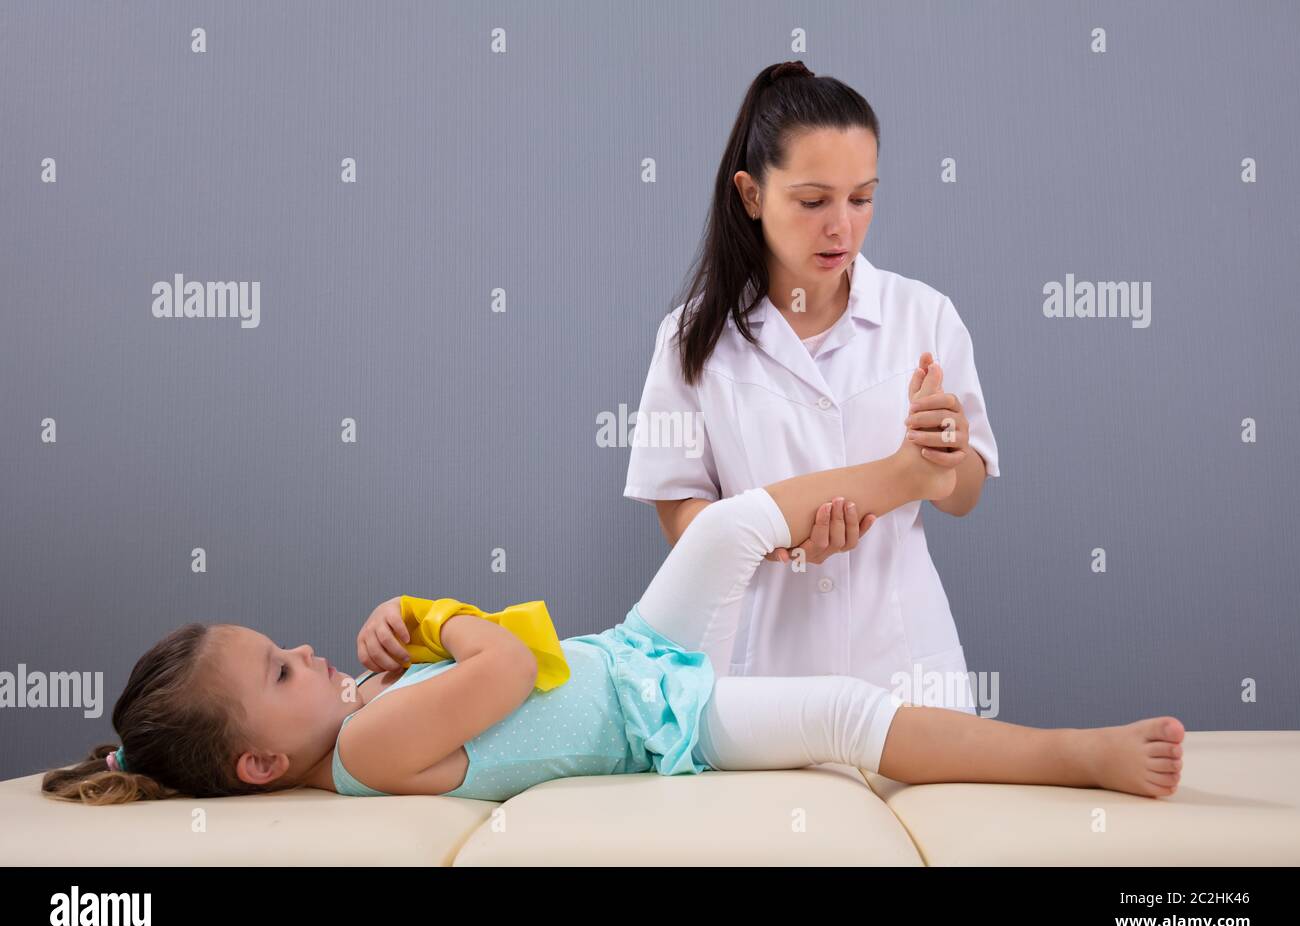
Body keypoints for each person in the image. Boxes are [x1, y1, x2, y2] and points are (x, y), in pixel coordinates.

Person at [42, 361, 1183, 806]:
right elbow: (509, 661)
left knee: (733, 521)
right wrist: (434, 617)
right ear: (256, 759)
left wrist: (395, 639)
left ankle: (906, 469)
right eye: (283, 668)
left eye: (284, 643)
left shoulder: (353, 721)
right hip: (660, 720)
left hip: (633, 652)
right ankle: (1070, 751)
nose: (308, 651)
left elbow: (487, 666)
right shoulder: (367, 753)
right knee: (841, 714)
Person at [625, 60, 1000, 711]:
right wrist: (775, 540)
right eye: (813, 201)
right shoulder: (691, 339)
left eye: (862, 198)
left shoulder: (924, 315)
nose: (842, 228)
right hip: (763, 676)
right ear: (750, 194)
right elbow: (682, 521)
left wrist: (948, 449)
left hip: (903, 667)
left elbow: (962, 494)